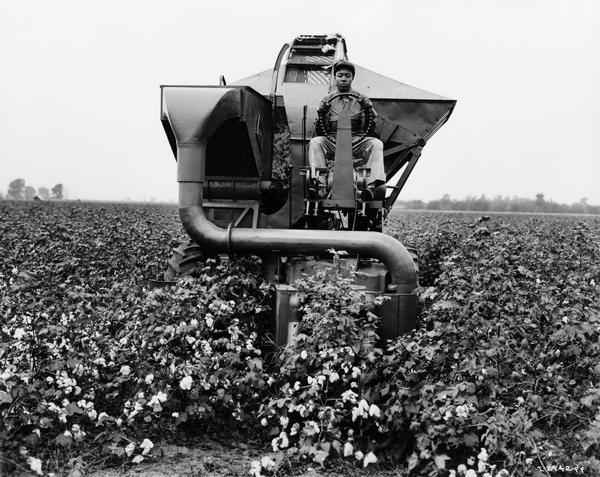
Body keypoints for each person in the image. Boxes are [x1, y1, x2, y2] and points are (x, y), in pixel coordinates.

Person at [308, 60, 385, 200]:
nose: (343, 79)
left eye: (347, 76)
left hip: (356, 141)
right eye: (340, 75)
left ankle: (371, 187)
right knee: (315, 142)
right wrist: (322, 114)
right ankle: (320, 186)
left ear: (352, 78)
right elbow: (320, 130)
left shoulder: (361, 100)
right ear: (335, 77)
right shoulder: (326, 100)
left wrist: (368, 111)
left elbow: (370, 129)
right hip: (333, 141)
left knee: (376, 144)